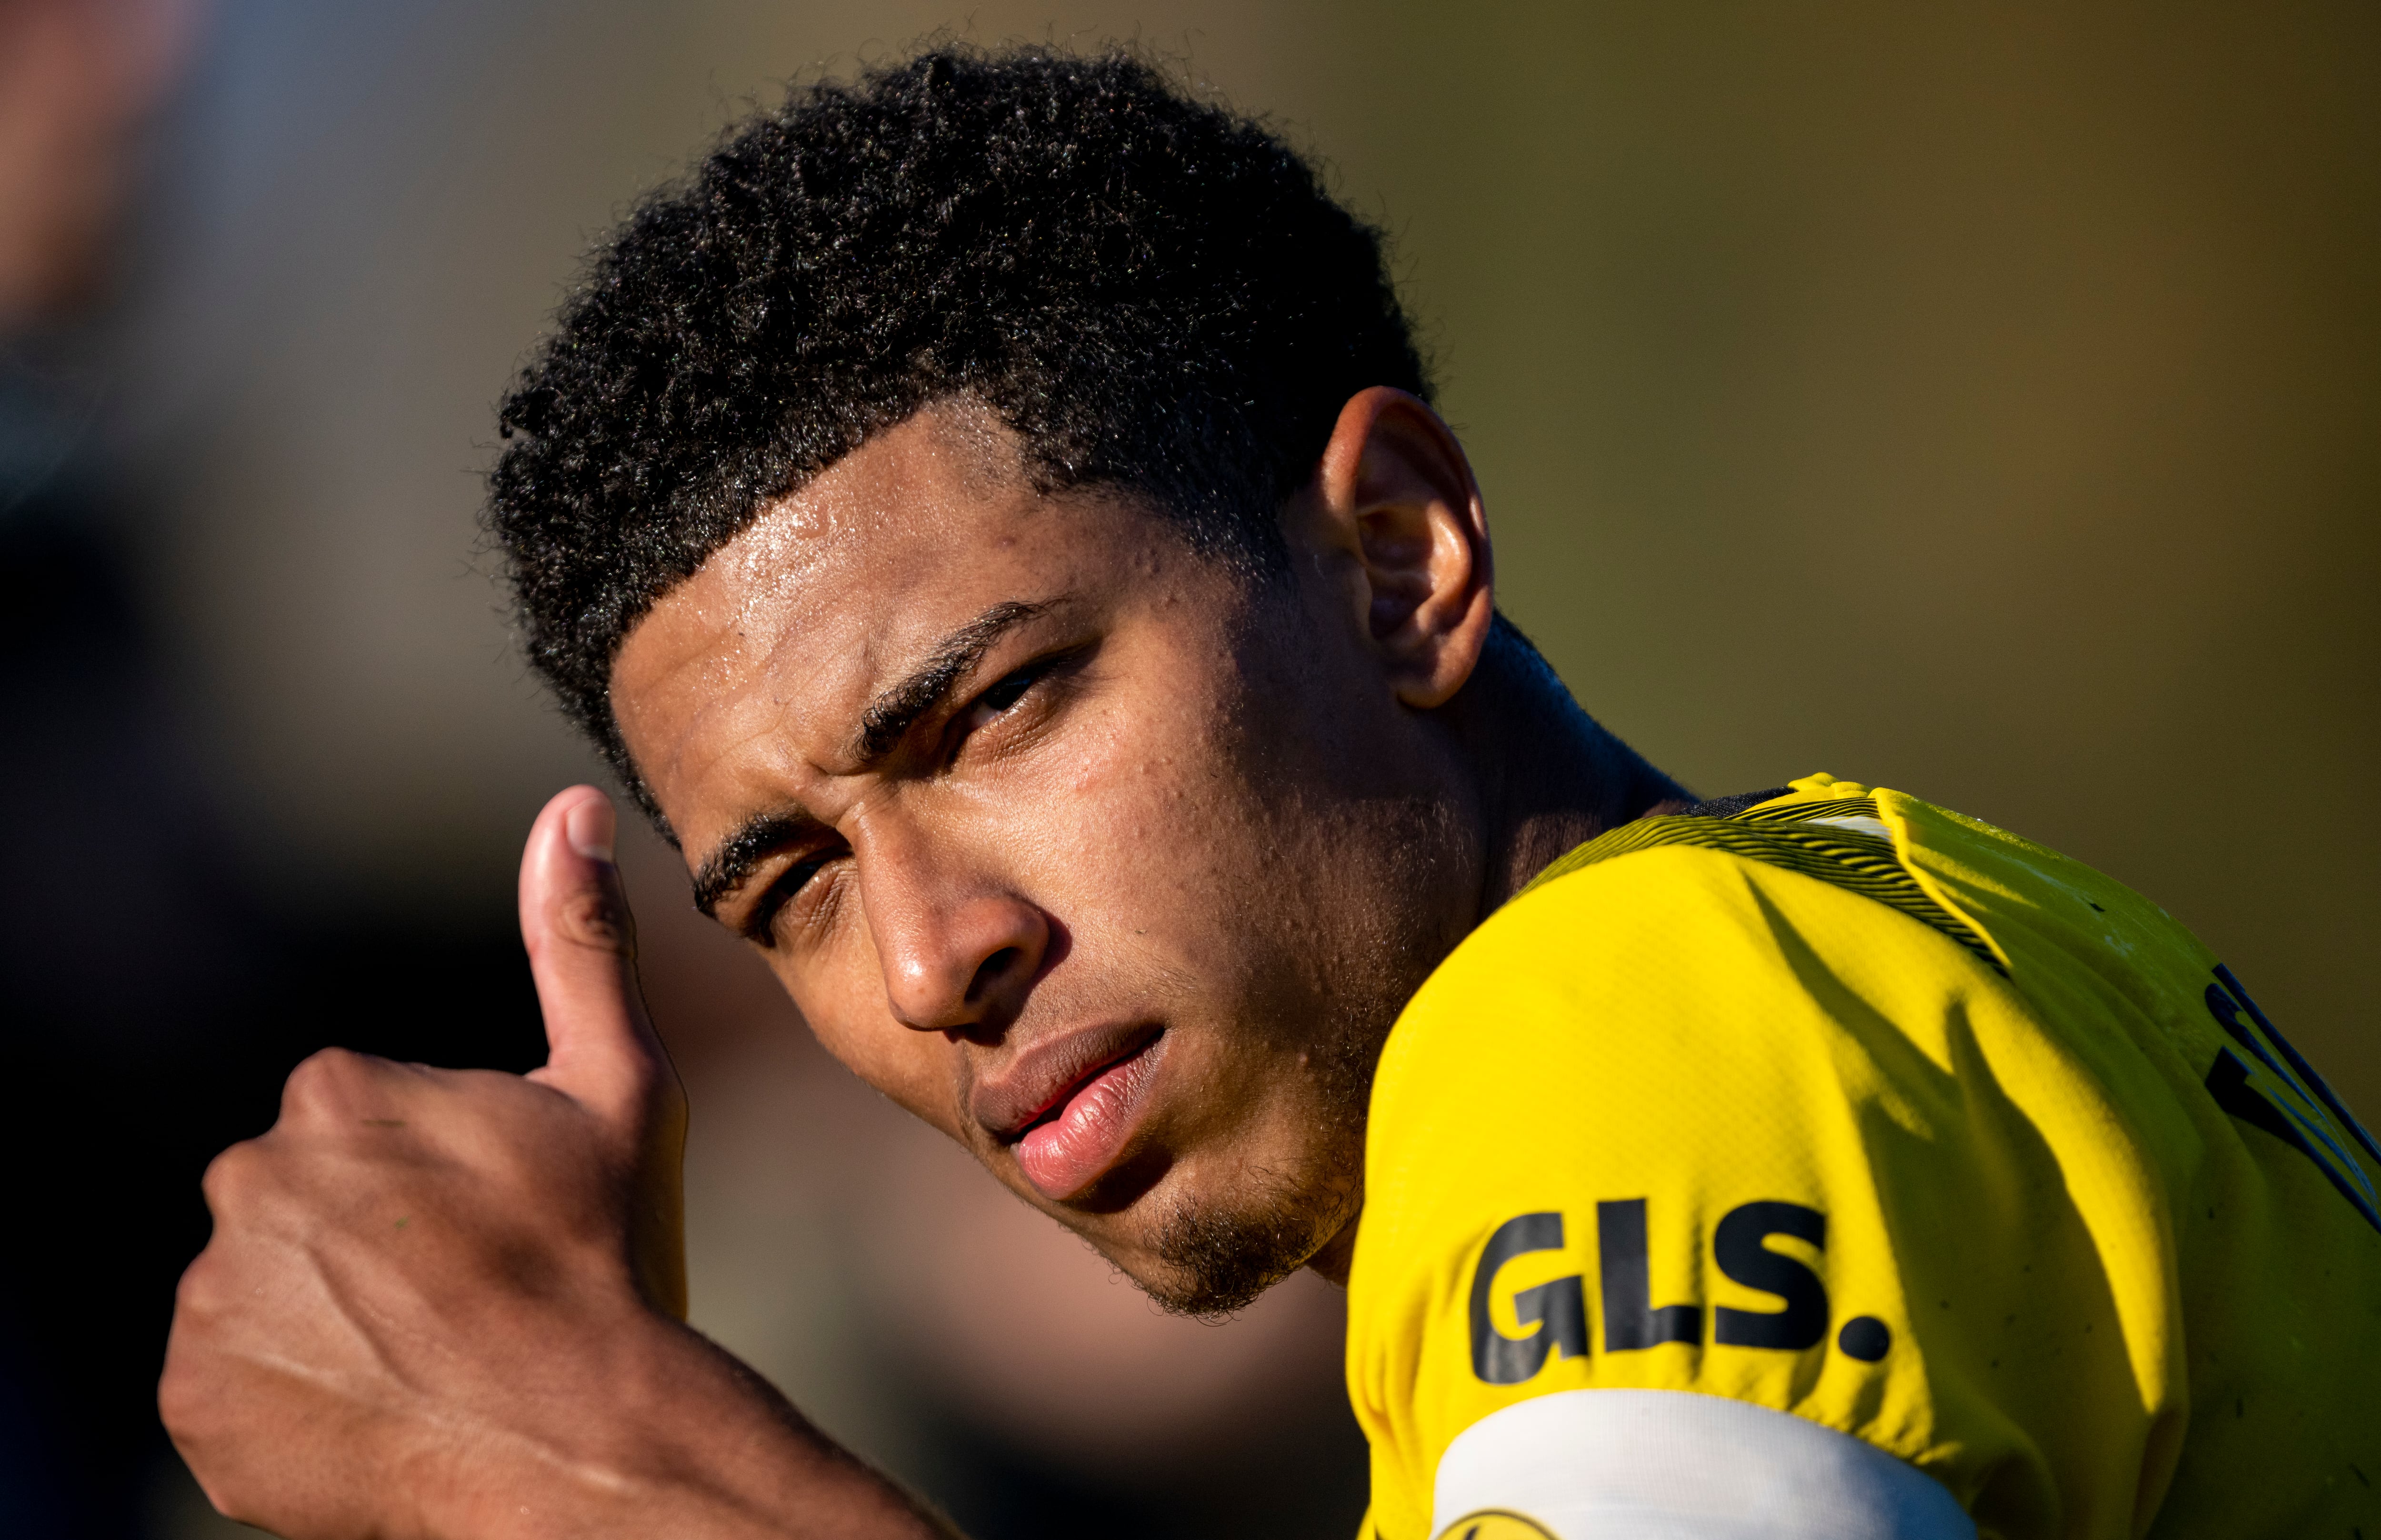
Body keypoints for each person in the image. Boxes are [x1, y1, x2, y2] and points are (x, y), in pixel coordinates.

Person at [160, 45, 2381, 1540]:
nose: (932, 954)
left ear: (1399, 554)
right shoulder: (1853, 936)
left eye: (996, 707)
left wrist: (580, 1459)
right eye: (790, 886)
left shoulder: (1620, 1014)